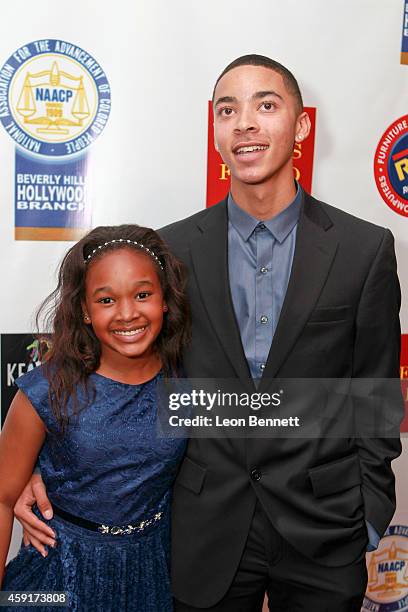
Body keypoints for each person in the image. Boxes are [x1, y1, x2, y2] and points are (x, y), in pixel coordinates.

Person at [15, 55, 403, 611]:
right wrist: (33, 462)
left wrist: (369, 512)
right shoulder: (170, 251)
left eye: (265, 105)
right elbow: (109, 362)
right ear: (216, 132)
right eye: (227, 110)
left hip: (326, 525)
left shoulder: (364, 250)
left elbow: (376, 393)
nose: (244, 122)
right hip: (202, 526)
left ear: (300, 126)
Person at [0, 225, 190, 611]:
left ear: (165, 299)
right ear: (84, 310)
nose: (127, 313)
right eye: (106, 300)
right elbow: (3, 499)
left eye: (142, 294)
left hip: (150, 573)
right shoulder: (46, 390)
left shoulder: (186, 380)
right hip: (57, 575)